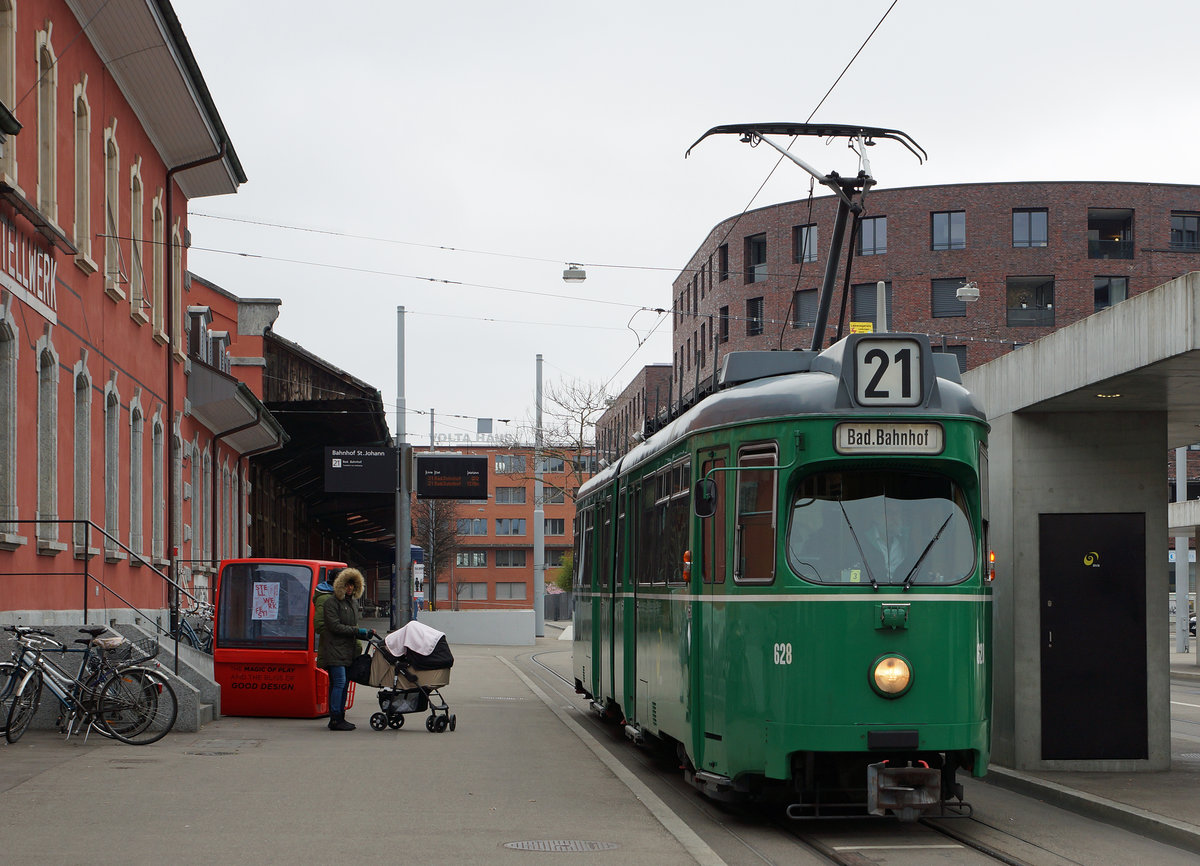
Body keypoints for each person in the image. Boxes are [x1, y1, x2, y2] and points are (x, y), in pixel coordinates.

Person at [316, 567, 375, 731]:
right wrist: (358, 632)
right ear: (340, 584)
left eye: (353, 585)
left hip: (347, 650)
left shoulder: (352, 603)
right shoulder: (331, 603)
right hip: (334, 649)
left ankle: (339, 716)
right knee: (340, 682)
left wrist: (364, 634)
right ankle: (335, 717)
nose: (350, 588)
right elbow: (334, 626)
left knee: (343, 683)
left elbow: (351, 626)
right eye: (347, 585)